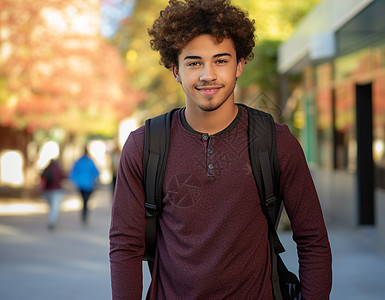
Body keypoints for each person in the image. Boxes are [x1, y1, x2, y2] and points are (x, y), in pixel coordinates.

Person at [109, 1, 332, 299]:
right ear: (175, 70)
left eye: (221, 60)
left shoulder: (276, 142)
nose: (207, 75)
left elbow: (313, 240)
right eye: (193, 63)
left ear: (239, 65)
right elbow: (125, 247)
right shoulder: (144, 146)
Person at [69, 147, 100, 224]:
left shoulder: (78, 161)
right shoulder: (90, 161)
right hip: (88, 184)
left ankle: (84, 213)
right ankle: (85, 213)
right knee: (86, 200)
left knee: (83, 200)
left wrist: (74, 181)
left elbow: (73, 172)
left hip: (80, 185)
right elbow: (96, 172)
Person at [41, 159, 65, 230]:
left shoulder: (46, 169)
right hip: (56, 190)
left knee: (51, 207)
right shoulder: (57, 169)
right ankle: (52, 220)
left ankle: (51, 220)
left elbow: (42, 178)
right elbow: (62, 177)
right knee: (54, 208)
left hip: (47, 191)